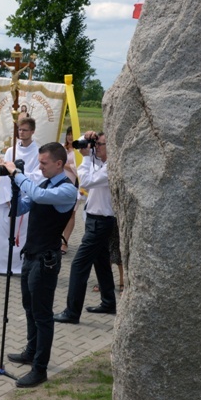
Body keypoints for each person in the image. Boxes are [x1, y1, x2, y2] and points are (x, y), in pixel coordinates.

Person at [3, 142, 77, 388]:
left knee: (43, 315)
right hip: (31, 256)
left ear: (59, 164)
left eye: (44, 163)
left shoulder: (67, 190)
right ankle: (31, 351)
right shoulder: (43, 184)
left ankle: (40, 369)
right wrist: (13, 189)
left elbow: (37, 196)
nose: (40, 167)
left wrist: (18, 174)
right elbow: (23, 206)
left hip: (46, 260)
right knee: (29, 307)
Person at [54, 131, 117, 325]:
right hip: (94, 218)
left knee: (79, 265)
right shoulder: (98, 162)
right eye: (96, 143)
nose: (96, 147)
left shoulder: (112, 167)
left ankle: (72, 312)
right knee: (101, 262)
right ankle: (108, 302)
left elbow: (87, 182)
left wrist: (86, 157)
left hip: (102, 221)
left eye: (101, 144)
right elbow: (82, 145)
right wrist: (86, 137)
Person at [0, 117, 43, 276]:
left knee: (21, 235)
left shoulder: (37, 151)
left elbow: (37, 176)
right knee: (2, 234)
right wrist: (8, 198)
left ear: (32, 131)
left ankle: (19, 267)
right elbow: (5, 175)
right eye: (19, 130)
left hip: (24, 199)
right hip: (8, 199)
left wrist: (20, 178)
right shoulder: (11, 150)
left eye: (25, 130)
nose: (21, 132)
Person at [60, 126, 79, 255]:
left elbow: (79, 170)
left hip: (73, 185)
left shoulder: (79, 151)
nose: (70, 137)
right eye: (68, 134)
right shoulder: (61, 148)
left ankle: (65, 242)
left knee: (71, 213)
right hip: (60, 184)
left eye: (72, 134)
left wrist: (64, 165)